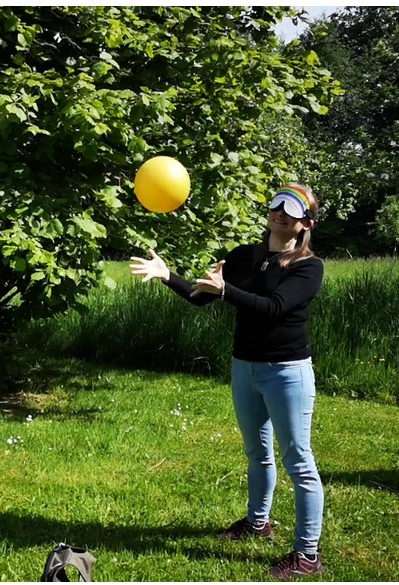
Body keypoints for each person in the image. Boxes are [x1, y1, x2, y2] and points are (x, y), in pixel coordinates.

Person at [129, 184, 325, 580]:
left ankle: (307, 554)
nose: (279, 213)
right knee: (257, 453)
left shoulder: (308, 267)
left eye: (290, 209)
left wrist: (227, 291)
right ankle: (258, 523)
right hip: (245, 368)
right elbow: (202, 296)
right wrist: (168, 275)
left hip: (287, 372)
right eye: (275, 205)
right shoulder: (244, 257)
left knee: (299, 463)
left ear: (306, 222)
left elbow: (273, 308)